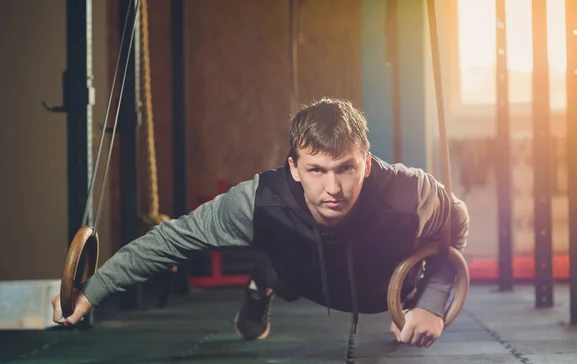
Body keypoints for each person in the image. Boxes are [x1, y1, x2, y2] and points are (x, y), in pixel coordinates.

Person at [51, 97, 469, 348]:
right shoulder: (258, 201)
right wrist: (93, 289)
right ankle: (261, 281)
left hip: (386, 288)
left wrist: (431, 304)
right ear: (293, 168)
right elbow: (172, 240)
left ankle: (266, 273)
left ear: (366, 163)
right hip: (305, 274)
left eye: (345, 168)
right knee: (279, 254)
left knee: (290, 249)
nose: (333, 188)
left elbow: (457, 225)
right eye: (316, 170)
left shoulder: (410, 192)